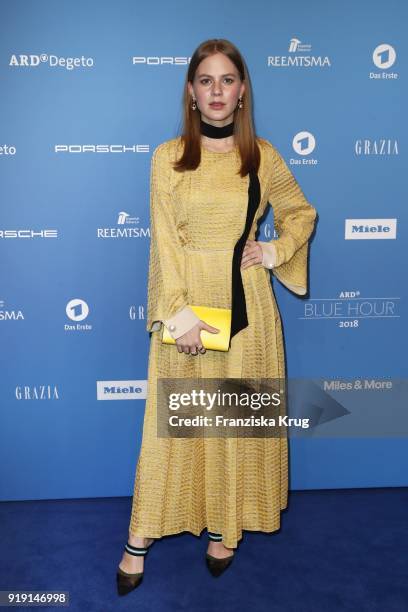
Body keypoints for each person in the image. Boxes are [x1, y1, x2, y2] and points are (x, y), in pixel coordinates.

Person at [116, 38, 317, 595]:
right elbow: (164, 243)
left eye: (228, 80)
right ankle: (140, 538)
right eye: (206, 80)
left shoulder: (263, 156)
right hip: (187, 304)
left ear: (243, 89)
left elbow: (300, 212)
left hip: (246, 307)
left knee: (234, 427)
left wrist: (273, 250)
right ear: (190, 91)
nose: (217, 91)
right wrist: (178, 317)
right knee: (174, 431)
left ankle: (226, 531)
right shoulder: (169, 156)